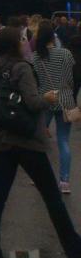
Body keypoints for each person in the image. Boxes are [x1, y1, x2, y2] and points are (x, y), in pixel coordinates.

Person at [0, 27, 81, 258]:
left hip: (1, 139)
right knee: (52, 198)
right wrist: (48, 98)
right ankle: (76, 254)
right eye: (22, 39)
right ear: (15, 44)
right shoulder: (22, 67)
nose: (25, 42)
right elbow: (33, 103)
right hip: (26, 140)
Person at [32, 21, 78, 194]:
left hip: (45, 99)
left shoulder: (36, 57)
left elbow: (36, 81)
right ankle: (64, 181)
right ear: (53, 36)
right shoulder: (65, 53)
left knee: (39, 139)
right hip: (65, 100)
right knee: (63, 141)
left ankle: (39, 176)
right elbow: (70, 78)